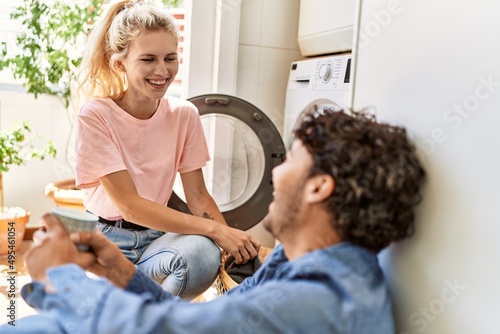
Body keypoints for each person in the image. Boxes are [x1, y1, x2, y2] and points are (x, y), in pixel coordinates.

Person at [4, 104, 426, 333]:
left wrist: (59, 275)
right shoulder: (293, 266)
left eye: (290, 161)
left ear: (319, 187)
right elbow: (199, 321)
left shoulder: (324, 303)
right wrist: (120, 271)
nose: (276, 173)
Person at [73, 0, 260, 299]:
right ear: (120, 63)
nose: (162, 70)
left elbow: (198, 197)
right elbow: (129, 205)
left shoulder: (183, 115)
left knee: (202, 254)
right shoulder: (96, 116)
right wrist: (214, 231)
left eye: (170, 58)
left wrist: (230, 243)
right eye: (148, 59)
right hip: (111, 243)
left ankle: (150, 317)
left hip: (159, 242)